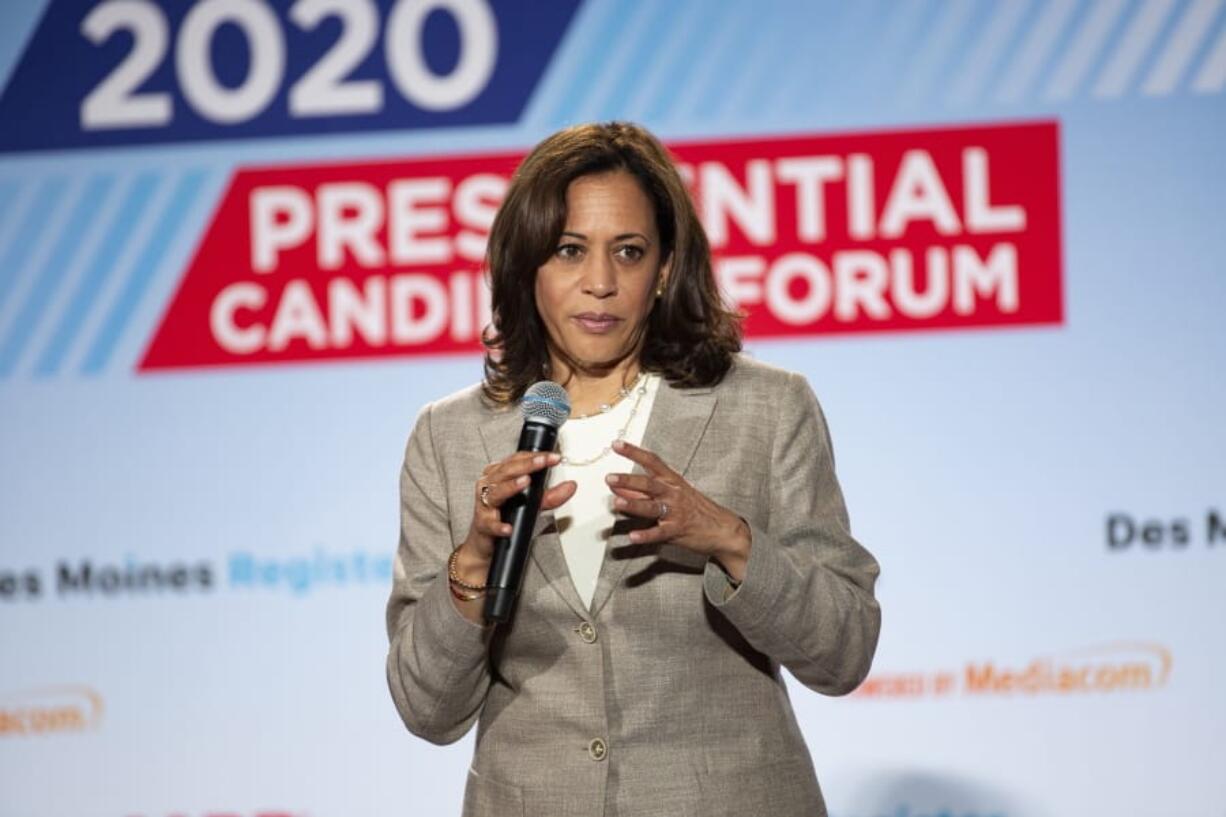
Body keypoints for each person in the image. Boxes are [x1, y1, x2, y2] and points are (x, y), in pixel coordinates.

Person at [386, 122, 880, 817]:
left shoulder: (765, 408)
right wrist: (472, 562)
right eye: (568, 250)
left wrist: (733, 541)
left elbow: (844, 650)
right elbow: (426, 707)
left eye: (629, 251)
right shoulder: (449, 437)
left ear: (666, 269)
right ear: (527, 267)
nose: (600, 283)